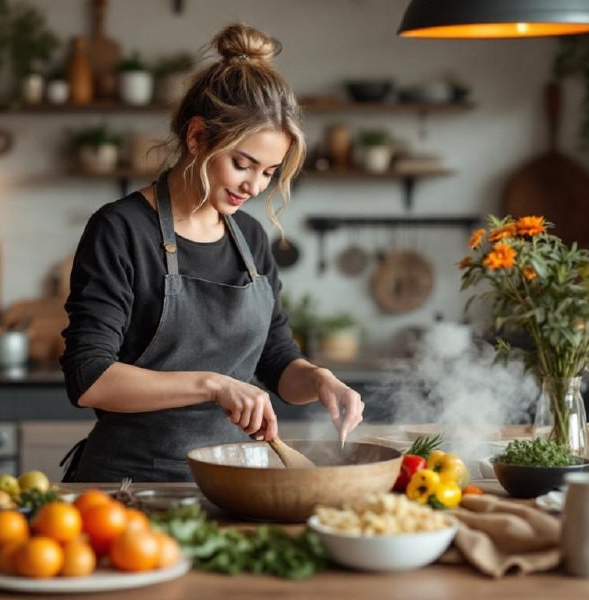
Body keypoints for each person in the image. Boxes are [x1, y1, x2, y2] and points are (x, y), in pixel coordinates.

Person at [60, 22, 364, 483]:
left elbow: (277, 362)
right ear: (197, 137)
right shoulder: (121, 229)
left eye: (269, 172)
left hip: (232, 482)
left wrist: (320, 380)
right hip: (129, 487)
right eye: (242, 164)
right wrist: (213, 384)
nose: (254, 186)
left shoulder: (250, 239)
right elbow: (91, 378)